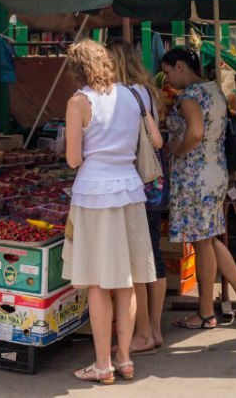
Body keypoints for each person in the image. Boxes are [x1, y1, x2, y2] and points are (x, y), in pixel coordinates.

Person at [63, 40, 159, 384]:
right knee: (126, 282)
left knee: (98, 283)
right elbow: (150, 142)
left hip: (94, 195)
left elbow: (74, 159)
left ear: (76, 71)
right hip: (130, 192)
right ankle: (125, 359)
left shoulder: (78, 102)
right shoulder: (133, 96)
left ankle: (103, 364)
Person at [160, 47, 236, 330]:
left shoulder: (190, 96)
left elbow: (195, 132)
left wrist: (177, 150)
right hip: (216, 171)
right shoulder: (214, 90)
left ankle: (205, 313)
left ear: (180, 66)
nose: (167, 79)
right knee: (212, 237)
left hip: (195, 176)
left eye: (168, 72)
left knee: (203, 242)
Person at [107, 39, 167, 356]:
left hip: (135, 185)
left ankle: (144, 331)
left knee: (138, 262)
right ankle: (153, 329)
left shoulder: (124, 94)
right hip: (152, 183)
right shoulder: (146, 92)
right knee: (152, 255)